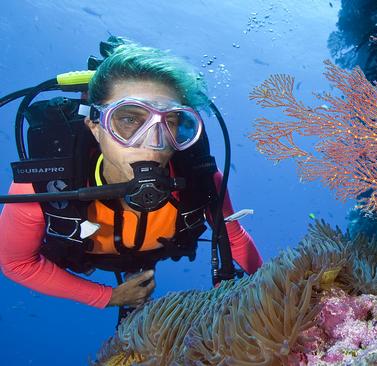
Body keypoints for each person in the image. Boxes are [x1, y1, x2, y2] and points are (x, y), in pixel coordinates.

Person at [0, 38, 263, 310]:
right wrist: (109, 296)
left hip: (158, 248)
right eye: (128, 119)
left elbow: (234, 237)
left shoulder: (202, 179)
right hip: (89, 258)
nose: (153, 142)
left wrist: (273, 290)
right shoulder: (41, 187)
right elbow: (16, 263)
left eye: (169, 121)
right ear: (94, 125)